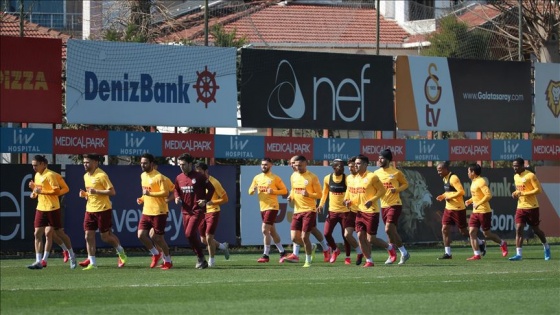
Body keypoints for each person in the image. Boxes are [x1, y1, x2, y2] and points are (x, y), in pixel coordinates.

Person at [344, 155, 396, 267]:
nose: (355, 165)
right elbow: (352, 193)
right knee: (360, 237)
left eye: (358, 163)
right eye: (355, 163)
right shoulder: (353, 178)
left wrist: (372, 200)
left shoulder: (372, 177)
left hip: (371, 212)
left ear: (365, 165)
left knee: (371, 239)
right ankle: (369, 260)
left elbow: (382, 191)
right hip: (358, 212)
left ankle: (390, 248)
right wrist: (348, 201)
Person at [78, 154, 128, 270]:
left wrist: (96, 191)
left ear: (95, 162)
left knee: (105, 237)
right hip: (90, 209)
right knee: (88, 235)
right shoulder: (85, 176)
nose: (85, 164)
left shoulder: (102, 175)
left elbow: (112, 192)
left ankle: (121, 252)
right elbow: (91, 193)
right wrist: (85, 194)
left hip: (103, 209)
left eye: (87, 162)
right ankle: (92, 262)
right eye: (84, 162)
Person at [27, 155, 77, 270]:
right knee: (37, 234)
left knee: (59, 233)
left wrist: (40, 191)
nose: (34, 167)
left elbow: (56, 191)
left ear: (43, 164)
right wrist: (34, 193)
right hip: (41, 207)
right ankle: (39, 261)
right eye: (33, 165)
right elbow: (38, 191)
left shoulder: (50, 175)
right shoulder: (37, 175)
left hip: (52, 208)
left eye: (36, 165)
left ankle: (71, 254)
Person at [282, 155, 330, 263]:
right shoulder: (293, 176)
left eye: (300, 165)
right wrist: (291, 196)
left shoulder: (312, 177)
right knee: (295, 238)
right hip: (297, 210)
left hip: (309, 210)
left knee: (305, 236)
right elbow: (293, 190)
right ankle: (313, 247)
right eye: (296, 165)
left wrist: (308, 194)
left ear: (306, 164)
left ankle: (305, 258)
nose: (297, 167)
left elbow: (319, 194)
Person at [435, 161, 486, 259]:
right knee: (444, 229)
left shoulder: (453, 178)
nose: (439, 172)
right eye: (437, 171)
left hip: (458, 209)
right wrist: (443, 196)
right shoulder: (444, 178)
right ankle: (448, 253)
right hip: (448, 208)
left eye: (440, 170)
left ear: (446, 169)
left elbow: (461, 192)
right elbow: (449, 192)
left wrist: (449, 195)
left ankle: (480, 242)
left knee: (463, 232)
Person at [174, 153, 215, 269]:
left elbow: (211, 189)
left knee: (189, 233)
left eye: (183, 164)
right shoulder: (179, 177)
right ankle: (201, 258)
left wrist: (205, 200)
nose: (181, 167)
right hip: (185, 211)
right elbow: (176, 189)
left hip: (197, 210)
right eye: (180, 165)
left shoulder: (199, 176)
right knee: (188, 236)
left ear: (190, 164)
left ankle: (201, 258)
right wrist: (177, 197)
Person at [136, 153, 174, 270]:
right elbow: (146, 192)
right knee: (141, 235)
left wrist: (150, 194)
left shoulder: (159, 177)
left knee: (158, 238)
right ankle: (155, 253)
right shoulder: (143, 175)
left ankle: (168, 261)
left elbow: (165, 192)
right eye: (141, 163)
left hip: (159, 211)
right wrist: (142, 199)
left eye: (145, 163)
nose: (143, 165)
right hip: (147, 211)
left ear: (152, 164)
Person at [509, 158, 551, 261]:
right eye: (513, 165)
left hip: (532, 207)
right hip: (520, 207)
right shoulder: (515, 177)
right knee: (519, 229)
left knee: (536, 230)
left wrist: (523, 193)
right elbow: (519, 190)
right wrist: (515, 193)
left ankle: (546, 247)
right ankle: (518, 254)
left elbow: (538, 190)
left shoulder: (530, 175)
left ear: (522, 165)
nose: (514, 168)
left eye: (517, 165)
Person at [464, 163, 508, 260]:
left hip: (484, 211)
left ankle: (502, 243)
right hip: (475, 212)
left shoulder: (481, 181)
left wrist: (478, 203)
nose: (467, 173)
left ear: (473, 172)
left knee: (486, 233)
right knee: (471, 232)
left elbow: (488, 195)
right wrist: (470, 200)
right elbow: (476, 196)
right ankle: (476, 254)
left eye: (468, 171)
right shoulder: (474, 182)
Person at [248, 158, 288, 263]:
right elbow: (250, 191)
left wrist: (273, 191)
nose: (263, 166)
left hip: (272, 206)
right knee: (272, 232)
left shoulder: (275, 178)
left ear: (271, 165)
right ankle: (283, 252)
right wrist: (252, 190)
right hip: (263, 207)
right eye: (262, 165)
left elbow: (284, 190)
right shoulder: (257, 178)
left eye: (266, 165)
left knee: (264, 230)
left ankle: (265, 255)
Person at [374, 149, 410, 265]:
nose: (379, 160)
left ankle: (398, 252)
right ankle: (402, 253)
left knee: (388, 228)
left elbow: (406, 184)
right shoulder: (376, 173)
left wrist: (397, 189)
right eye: (379, 158)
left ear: (388, 160)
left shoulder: (396, 172)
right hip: (383, 206)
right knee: (391, 232)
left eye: (382, 158)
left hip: (395, 204)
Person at [195, 162, 231, 267]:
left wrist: (212, 202)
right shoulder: (197, 182)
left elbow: (225, 199)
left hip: (213, 211)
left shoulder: (214, 182)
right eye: (197, 173)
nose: (198, 175)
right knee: (203, 239)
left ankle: (211, 261)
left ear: (206, 171)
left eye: (200, 173)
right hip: (202, 212)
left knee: (209, 237)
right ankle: (223, 247)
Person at [317, 159, 350, 263]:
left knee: (345, 236)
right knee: (326, 233)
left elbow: (351, 192)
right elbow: (324, 193)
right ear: (334, 167)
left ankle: (348, 257)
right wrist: (321, 205)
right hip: (332, 211)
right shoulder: (328, 178)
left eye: (343, 166)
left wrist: (349, 201)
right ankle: (335, 250)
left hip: (345, 212)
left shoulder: (347, 178)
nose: (343, 168)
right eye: (340, 166)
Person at [43, 171, 73, 265]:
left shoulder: (55, 176)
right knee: (50, 234)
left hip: (56, 208)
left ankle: (71, 253)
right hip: (44, 207)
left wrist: (55, 193)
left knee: (56, 233)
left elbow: (66, 189)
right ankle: (64, 250)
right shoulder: (40, 176)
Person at [342, 157, 364, 265]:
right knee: (347, 234)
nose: (350, 169)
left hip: (363, 211)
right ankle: (359, 252)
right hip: (352, 211)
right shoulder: (349, 178)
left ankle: (388, 249)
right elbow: (348, 190)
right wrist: (346, 200)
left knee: (364, 237)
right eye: (349, 167)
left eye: (353, 166)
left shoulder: (363, 177)